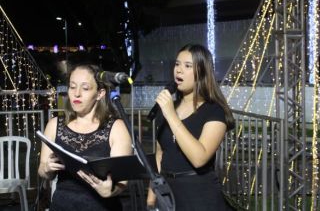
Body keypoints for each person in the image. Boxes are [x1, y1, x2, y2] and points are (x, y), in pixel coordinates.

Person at [146, 44, 235, 210]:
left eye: (187, 66)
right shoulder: (167, 108)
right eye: (177, 64)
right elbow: (159, 155)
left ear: (201, 73)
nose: (178, 70)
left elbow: (199, 158)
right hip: (167, 194)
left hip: (199, 195)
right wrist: (151, 199)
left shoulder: (214, 111)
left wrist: (171, 116)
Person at [38, 64, 132, 211]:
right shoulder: (54, 124)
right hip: (62, 205)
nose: (77, 94)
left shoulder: (117, 127)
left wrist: (111, 191)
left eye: (85, 88)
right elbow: (42, 170)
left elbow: (122, 181)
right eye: (72, 86)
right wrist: (48, 168)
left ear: (100, 93)